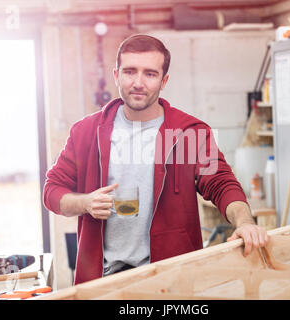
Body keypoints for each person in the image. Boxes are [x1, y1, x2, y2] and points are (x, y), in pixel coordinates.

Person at [43, 34, 268, 285]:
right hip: (102, 281)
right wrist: (85, 202)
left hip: (172, 279)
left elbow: (221, 183)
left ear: (164, 80)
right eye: (130, 72)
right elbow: (52, 191)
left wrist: (246, 222)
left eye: (150, 74)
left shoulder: (188, 132)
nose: (138, 82)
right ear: (116, 75)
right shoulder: (86, 132)